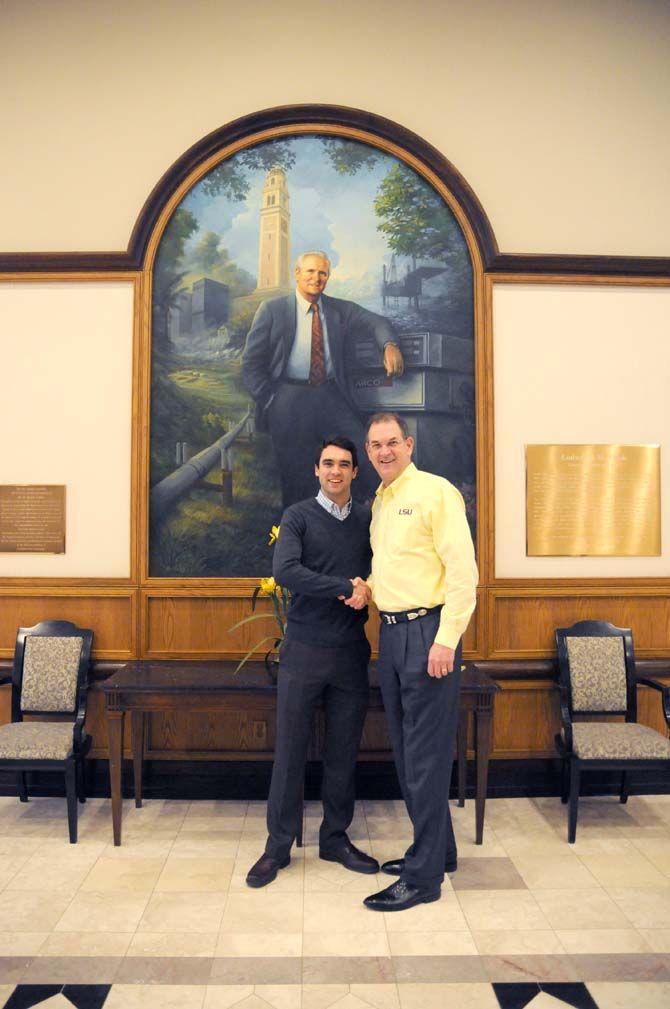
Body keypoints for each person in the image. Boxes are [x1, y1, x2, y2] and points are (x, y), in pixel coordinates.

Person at [350, 412, 478, 912]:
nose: (384, 452)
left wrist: (446, 641)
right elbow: (400, 569)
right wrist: (369, 590)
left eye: (392, 443)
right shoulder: (383, 501)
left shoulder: (434, 492)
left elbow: (463, 573)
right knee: (407, 753)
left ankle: (424, 880)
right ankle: (438, 851)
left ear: (409, 443)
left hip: (429, 636)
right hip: (393, 635)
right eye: (375, 445)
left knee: (423, 759)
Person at [246, 435, 379, 887]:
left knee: (343, 751)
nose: (336, 471)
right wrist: (346, 587)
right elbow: (286, 572)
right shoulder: (298, 516)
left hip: (350, 653)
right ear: (316, 471)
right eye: (328, 464)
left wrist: (370, 588)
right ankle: (277, 847)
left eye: (344, 464)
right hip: (303, 651)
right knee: (289, 752)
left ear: (356, 472)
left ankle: (334, 838)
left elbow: (388, 565)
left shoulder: (367, 519)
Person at [242, 251, 404, 506]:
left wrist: (389, 344)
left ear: (328, 278)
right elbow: (251, 364)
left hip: (330, 395)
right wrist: (271, 400)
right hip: (287, 397)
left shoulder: (339, 309)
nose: (316, 278)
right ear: (297, 274)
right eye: (310, 271)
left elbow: (376, 321)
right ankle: (297, 535)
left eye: (322, 273)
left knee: (363, 455)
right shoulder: (273, 310)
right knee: (297, 477)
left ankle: (367, 524)